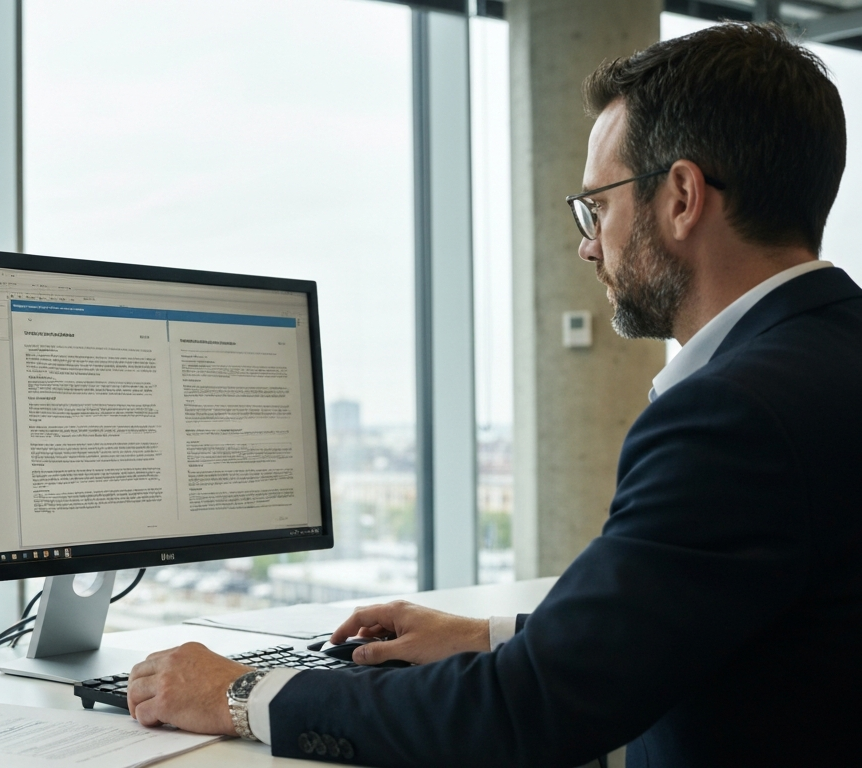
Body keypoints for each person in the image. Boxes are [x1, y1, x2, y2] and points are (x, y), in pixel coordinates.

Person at [125, 23, 860, 767]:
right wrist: (489, 636)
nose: (588, 244)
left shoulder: (732, 417)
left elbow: (525, 713)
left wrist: (244, 694)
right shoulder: (830, 360)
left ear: (680, 198)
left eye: (597, 206)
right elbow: (714, 614)